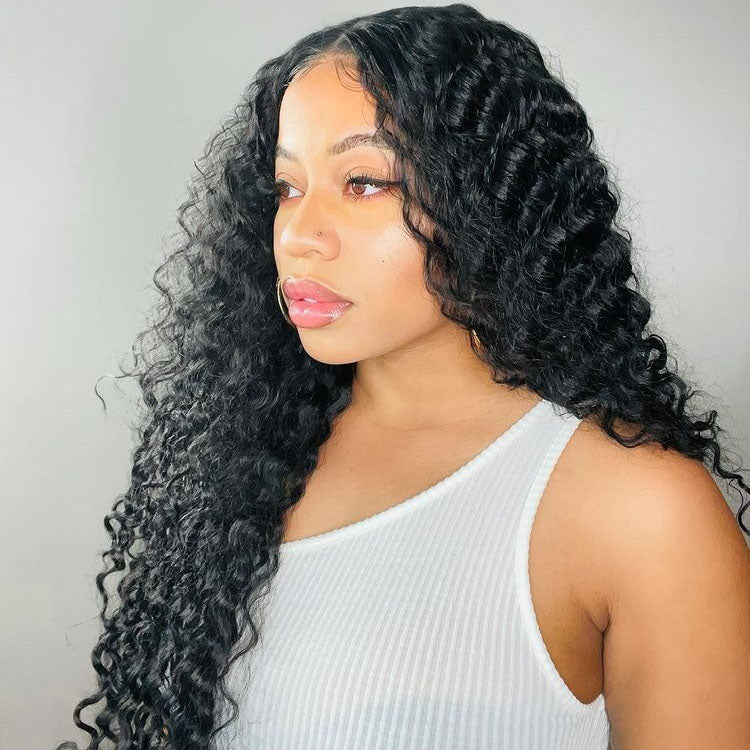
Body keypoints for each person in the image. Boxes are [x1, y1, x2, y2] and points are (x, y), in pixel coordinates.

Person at [56, 4, 750, 749]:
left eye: (363, 182)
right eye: (287, 187)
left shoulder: (641, 509)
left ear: (489, 199)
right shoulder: (239, 459)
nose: (298, 234)